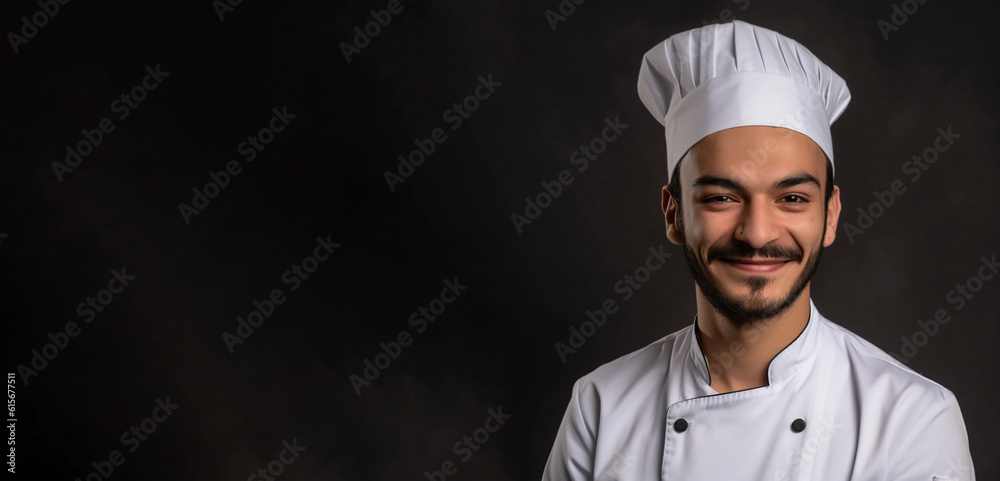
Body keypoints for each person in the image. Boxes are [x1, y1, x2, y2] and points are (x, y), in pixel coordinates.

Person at [541, 20, 975, 480]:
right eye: (721, 198)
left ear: (830, 215)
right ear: (673, 214)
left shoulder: (911, 421)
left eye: (792, 198)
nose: (757, 234)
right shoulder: (601, 407)